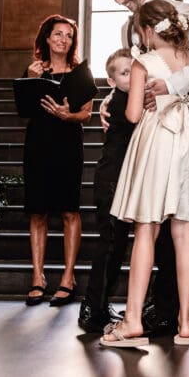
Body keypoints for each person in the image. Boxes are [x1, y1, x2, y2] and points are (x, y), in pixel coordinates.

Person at [93, 0, 189, 337]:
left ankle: (164, 311)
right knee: (152, 224)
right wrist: (110, 99)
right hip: (141, 134)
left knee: (160, 226)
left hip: (176, 127)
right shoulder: (127, 28)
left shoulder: (181, 11)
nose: (121, 1)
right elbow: (126, 71)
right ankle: (158, 314)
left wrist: (172, 85)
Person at [21, 15, 93, 307]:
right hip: (38, 142)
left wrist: (67, 115)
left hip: (67, 143)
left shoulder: (80, 73)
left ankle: (67, 278)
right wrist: (30, 79)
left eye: (69, 35)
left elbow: (87, 114)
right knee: (37, 211)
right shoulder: (33, 70)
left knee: (68, 211)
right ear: (47, 39)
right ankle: (38, 277)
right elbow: (23, 108)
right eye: (58, 34)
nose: (64, 39)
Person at [77, 48, 136, 333]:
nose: (131, 77)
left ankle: (99, 305)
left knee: (117, 246)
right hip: (111, 181)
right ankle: (91, 309)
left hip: (121, 180)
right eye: (124, 73)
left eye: (134, 71)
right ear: (111, 81)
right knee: (110, 246)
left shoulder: (124, 97)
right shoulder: (122, 101)